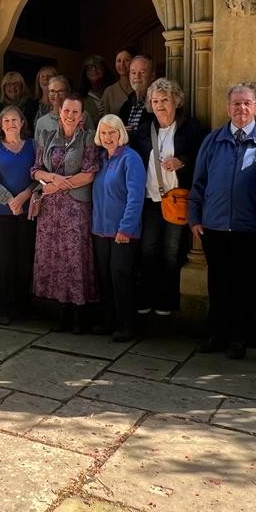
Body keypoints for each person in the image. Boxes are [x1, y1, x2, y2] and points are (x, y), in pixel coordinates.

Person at [189, 85, 256, 359]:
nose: (241, 108)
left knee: (245, 285)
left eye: (247, 103)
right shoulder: (213, 140)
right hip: (214, 226)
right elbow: (199, 181)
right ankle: (217, 335)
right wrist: (194, 216)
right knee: (217, 284)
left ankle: (239, 338)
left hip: (250, 228)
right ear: (228, 108)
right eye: (236, 104)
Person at [130, 79, 207, 319]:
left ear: (176, 101)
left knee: (172, 252)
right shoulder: (143, 130)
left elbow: (204, 161)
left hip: (178, 200)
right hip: (150, 200)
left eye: (165, 100)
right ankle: (147, 296)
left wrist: (182, 161)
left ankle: (167, 300)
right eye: (155, 101)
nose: (160, 104)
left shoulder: (192, 129)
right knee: (148, 250)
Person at [31, 95, 99, 331]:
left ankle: (80, 313)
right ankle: (62, 312)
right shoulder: (47, 136)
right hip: (50, 209)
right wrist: (51, 178)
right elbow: (36, 170)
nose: (70, 115)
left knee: (75, 259)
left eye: (75, 112)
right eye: (66, 110)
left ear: (82, 115)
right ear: (60, 111)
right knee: (56, 259)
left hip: (76, 208)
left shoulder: (88, 138)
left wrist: (57, 184)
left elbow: (89, 173)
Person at [92, 114, 146, 340]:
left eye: (112, 132)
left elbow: (136, 196)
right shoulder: (102, 159)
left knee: (121, 276)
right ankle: (108, 320)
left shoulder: (130, 158)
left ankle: (127, 325)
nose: (107, 137)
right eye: (103, 133)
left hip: (123, 231)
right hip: (100, 229)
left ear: (120, 134)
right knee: (105, 277)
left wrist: (126, 228)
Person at [0, 105, 37, 325]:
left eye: (14, 120)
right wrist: (10, 200)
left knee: (24, 260)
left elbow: (40, 174)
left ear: (22, 122)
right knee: (4, 261)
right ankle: (5, 308)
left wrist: (24, 196)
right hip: (3, 212)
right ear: (0, 126)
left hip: (28, 212)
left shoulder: (33, 146)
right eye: (6, 121)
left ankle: (23, 307)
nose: (11, 124)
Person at [118, 55, 156, 132]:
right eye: (133, 72)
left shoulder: (158, 102)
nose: (137, 76)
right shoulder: (127, 104)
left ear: (152, 76)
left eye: (142, 72)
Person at [78, 54, 114, 124]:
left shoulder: (113, 91)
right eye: (90, 68)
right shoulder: (81, 97)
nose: (94, 70)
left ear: (105, 69)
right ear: (85, 73)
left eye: (98, 67)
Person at [101, 48, 135, 118]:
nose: (122, 64)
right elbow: (104, 119)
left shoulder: (140, 88)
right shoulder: (109, 92)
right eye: (119, 61)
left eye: (126, 60)